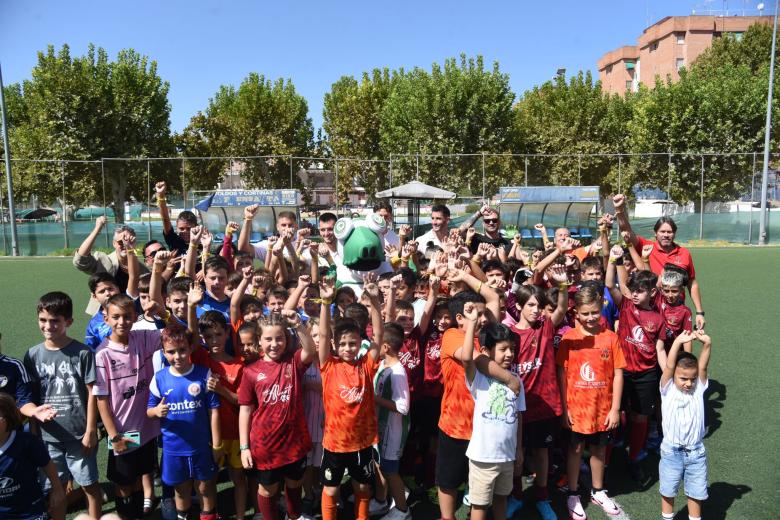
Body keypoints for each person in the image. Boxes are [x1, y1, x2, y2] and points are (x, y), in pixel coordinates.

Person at [436, 286, 519, 520]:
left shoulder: (486, 338)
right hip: (456, 425)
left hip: (485, 433)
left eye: (483, 313)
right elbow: (471, 358)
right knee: (449, 480)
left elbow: (493, 297)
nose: (482, 318)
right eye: (474, 313)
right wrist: (509, 378)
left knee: (480, 490)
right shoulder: (452, 335)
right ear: (459, 317)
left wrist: (464, 276)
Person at [23, 292, 102, 520]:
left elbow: (92, 393)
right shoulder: (32, 354)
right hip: (49, 438)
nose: (48, 326)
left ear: (68, 322)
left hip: (79, 436)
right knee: (56, 489)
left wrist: (90, 430)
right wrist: (35, 431)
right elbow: (32, 396)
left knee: (89, 485)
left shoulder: (82, 353)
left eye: (55, 320)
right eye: (43, 320)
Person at [238, 310, 317, 520]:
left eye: (279, 338)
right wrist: (244, 447)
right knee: (268, 490)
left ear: (286, 338)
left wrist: (299, 325)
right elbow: (245, 409)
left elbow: (310, 350)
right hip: (265, 445)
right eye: (268, 339)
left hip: (294, 441)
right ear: (259, 341)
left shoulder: (293, 362)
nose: (274, 344)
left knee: (294, 484)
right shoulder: (251, 371)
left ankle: (294, 515)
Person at [556, 284, 626, 520]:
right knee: (575, 449)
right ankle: (573, 493)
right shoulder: (569, 339)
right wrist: (565, 410)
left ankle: (598, 490)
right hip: (576, 410)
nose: (590, 317)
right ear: (576, 313)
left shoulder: (610, 338)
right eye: (585, 313)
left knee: (598, 450)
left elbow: (618, 374)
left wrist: (615, 408)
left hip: (602, 409)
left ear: (601, 307)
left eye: (594, 312)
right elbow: (562, 375)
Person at [317, 275, 383, 520]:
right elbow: (323, 336)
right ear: (335, 346)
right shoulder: (328, 366)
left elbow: (378, 335)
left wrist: (375, 302)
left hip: (363, 443)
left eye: (352, 343)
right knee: (331, 490)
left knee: (363, 487)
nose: (347, 348)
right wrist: (325, 303)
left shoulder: (366, 365)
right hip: (335, 443)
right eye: (342, 344)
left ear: (359, 344)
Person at [93, 293, 162, 519]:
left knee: (142, 474)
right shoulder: (102, 354)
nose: (122, 322)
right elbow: (101, 399)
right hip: (123, 433)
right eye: (116, 317)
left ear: (135, 317)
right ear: (106, 318)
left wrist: (162, 312)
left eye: (127, 316)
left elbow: (179, 334)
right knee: (124, 483)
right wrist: (114, 437)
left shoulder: (143, 338)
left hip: (147, 429)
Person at [508, 269, 569, 520]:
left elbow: (562, 309)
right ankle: (516, 497)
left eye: (540, 306)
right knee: (516, 456)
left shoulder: (545, 328)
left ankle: (543, 498)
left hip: (544, 406)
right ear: (519, 306)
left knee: (542, 453)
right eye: (531, 305)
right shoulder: (510, 335)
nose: (536, 310)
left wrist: (562, 286)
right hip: (517, 408)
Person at [147, 323, 223, 520]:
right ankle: (183, 515)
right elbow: (149, 411)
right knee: (181, 491)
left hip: (201, 447)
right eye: (171, 352)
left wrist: (216, 445)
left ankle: (208, 515)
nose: (177, 356)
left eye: (182, 350)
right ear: (163, 353)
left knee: (205, 487)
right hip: (174, 449)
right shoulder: (159, 378)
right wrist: (157, 411)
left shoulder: (202, 374)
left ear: (190, 348)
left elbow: (214, 411)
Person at [606, 245, 666, 485]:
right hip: (621, 372)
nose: (635, 294)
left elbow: (660, 349)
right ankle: (607, 459)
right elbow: (611, 284)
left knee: (640, 418)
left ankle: (633, 459)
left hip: (646, 375)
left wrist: (666, 374)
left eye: (641, 291)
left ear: (652, 293)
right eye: (634, 290)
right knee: (615, 416)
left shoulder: (658, 319)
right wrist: (614, 259)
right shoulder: (626, 306)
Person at [462, 314, 525, 520]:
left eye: (512, 349)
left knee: (501, 499)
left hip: (507, 456)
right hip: (483, 457)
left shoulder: (517, 381)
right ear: (487, 351)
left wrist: (518, 450)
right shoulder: (478, 377)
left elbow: (518, 416)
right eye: (503, 349)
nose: (509, 354)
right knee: (479, 506)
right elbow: (467, 357)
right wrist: (471, 323)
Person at [612, 194, 705, 330]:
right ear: (655, 233)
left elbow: (692, 283)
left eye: (670, 232)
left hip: (676, 310)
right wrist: (620, 211)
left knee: (677, 346)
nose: (666, 235)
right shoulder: (646, 246)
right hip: (652, 307)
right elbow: (626, 231)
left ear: (674, 234)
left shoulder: (684, 253)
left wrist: (699, 312)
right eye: (662, 231)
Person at [658, 330, 712, 520]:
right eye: (683, 378)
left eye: (692, 379)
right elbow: (670, 365)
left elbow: (703, 367)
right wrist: (678, 342)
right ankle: (667, 517)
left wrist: (707, 344)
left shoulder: (698, 389)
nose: (689, 383)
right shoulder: (668, 389)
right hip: (671, 451)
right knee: (668, 489)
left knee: (696, 493)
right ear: (674, 377)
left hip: (696, 453)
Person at [0, 393, 66, 520]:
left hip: (30, 512)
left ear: (8, 418)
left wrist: (57, 489)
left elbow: (47, 464)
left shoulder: (27, 442)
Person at [372, 323, 411, 520]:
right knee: (379, 465)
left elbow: (403, 406)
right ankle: (380, 501)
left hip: (392, 431)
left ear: (385, 347)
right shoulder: (383, 365)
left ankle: (403, 510)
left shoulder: (398, 372)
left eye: (376, 342)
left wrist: (373, 398)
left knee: (390, 469)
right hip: (380, 429)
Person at [73, 216, 149, 300]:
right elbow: (80, 261)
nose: (125, 245)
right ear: (114, 243)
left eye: (129, 242)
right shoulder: (103, 261)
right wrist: (97, 229)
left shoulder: (143, 271)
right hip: (104, 310)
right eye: (121, 242)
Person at [155, 181, 199, 256]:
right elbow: (165, 219)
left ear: (196, 227)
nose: (185, 232)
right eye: (181, 229)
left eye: (188, 229)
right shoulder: (174, 241)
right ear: (177, 228)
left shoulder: (203, 243)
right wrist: (161, 196)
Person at [84, 273, 120, 352]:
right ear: (94, 296)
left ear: (118, 289)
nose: (107, 293)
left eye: (110, 289)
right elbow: (91, 350)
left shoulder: (132, 311)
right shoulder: (93, 324)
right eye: (102, 291)